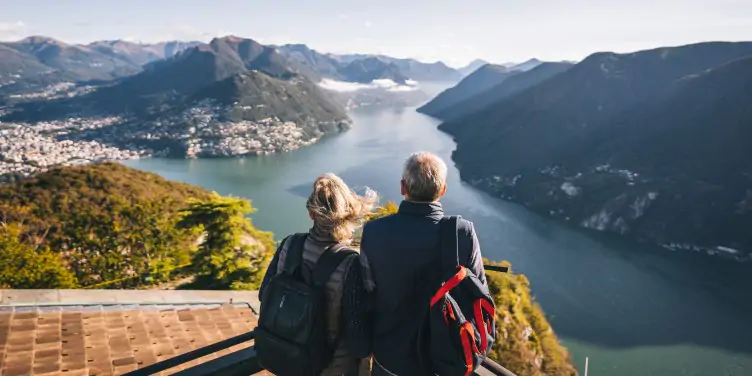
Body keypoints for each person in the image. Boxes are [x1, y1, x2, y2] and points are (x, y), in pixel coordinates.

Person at [360, 151, 487, 376]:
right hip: (442, 360)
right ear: (443, 190)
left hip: (388, 357)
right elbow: (478, 295)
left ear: (402, 187)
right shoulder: (462, 233)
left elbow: (367, 293)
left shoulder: (373, 231)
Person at [259, 173, 376, 376]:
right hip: (331, 367)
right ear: (348, 213)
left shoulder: (289, 244)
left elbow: (264, 295)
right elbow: (356, 335)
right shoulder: (351, 263)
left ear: (311, 214)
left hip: (289, 358)